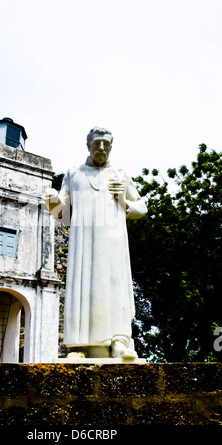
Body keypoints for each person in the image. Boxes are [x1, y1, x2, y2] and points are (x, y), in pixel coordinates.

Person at [43, 127, 147, 359]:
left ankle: (119, 342)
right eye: (97, 143)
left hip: (113, 240)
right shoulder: (73, 174)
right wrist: (52, 201)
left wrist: (124, 202)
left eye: (106, 144)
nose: (102, 148)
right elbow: (63, 210)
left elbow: (142, 207)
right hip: (83, 242)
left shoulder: (120, 173)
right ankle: (80, 347)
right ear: (88, 145)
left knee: (114, 285)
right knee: (83, 288)